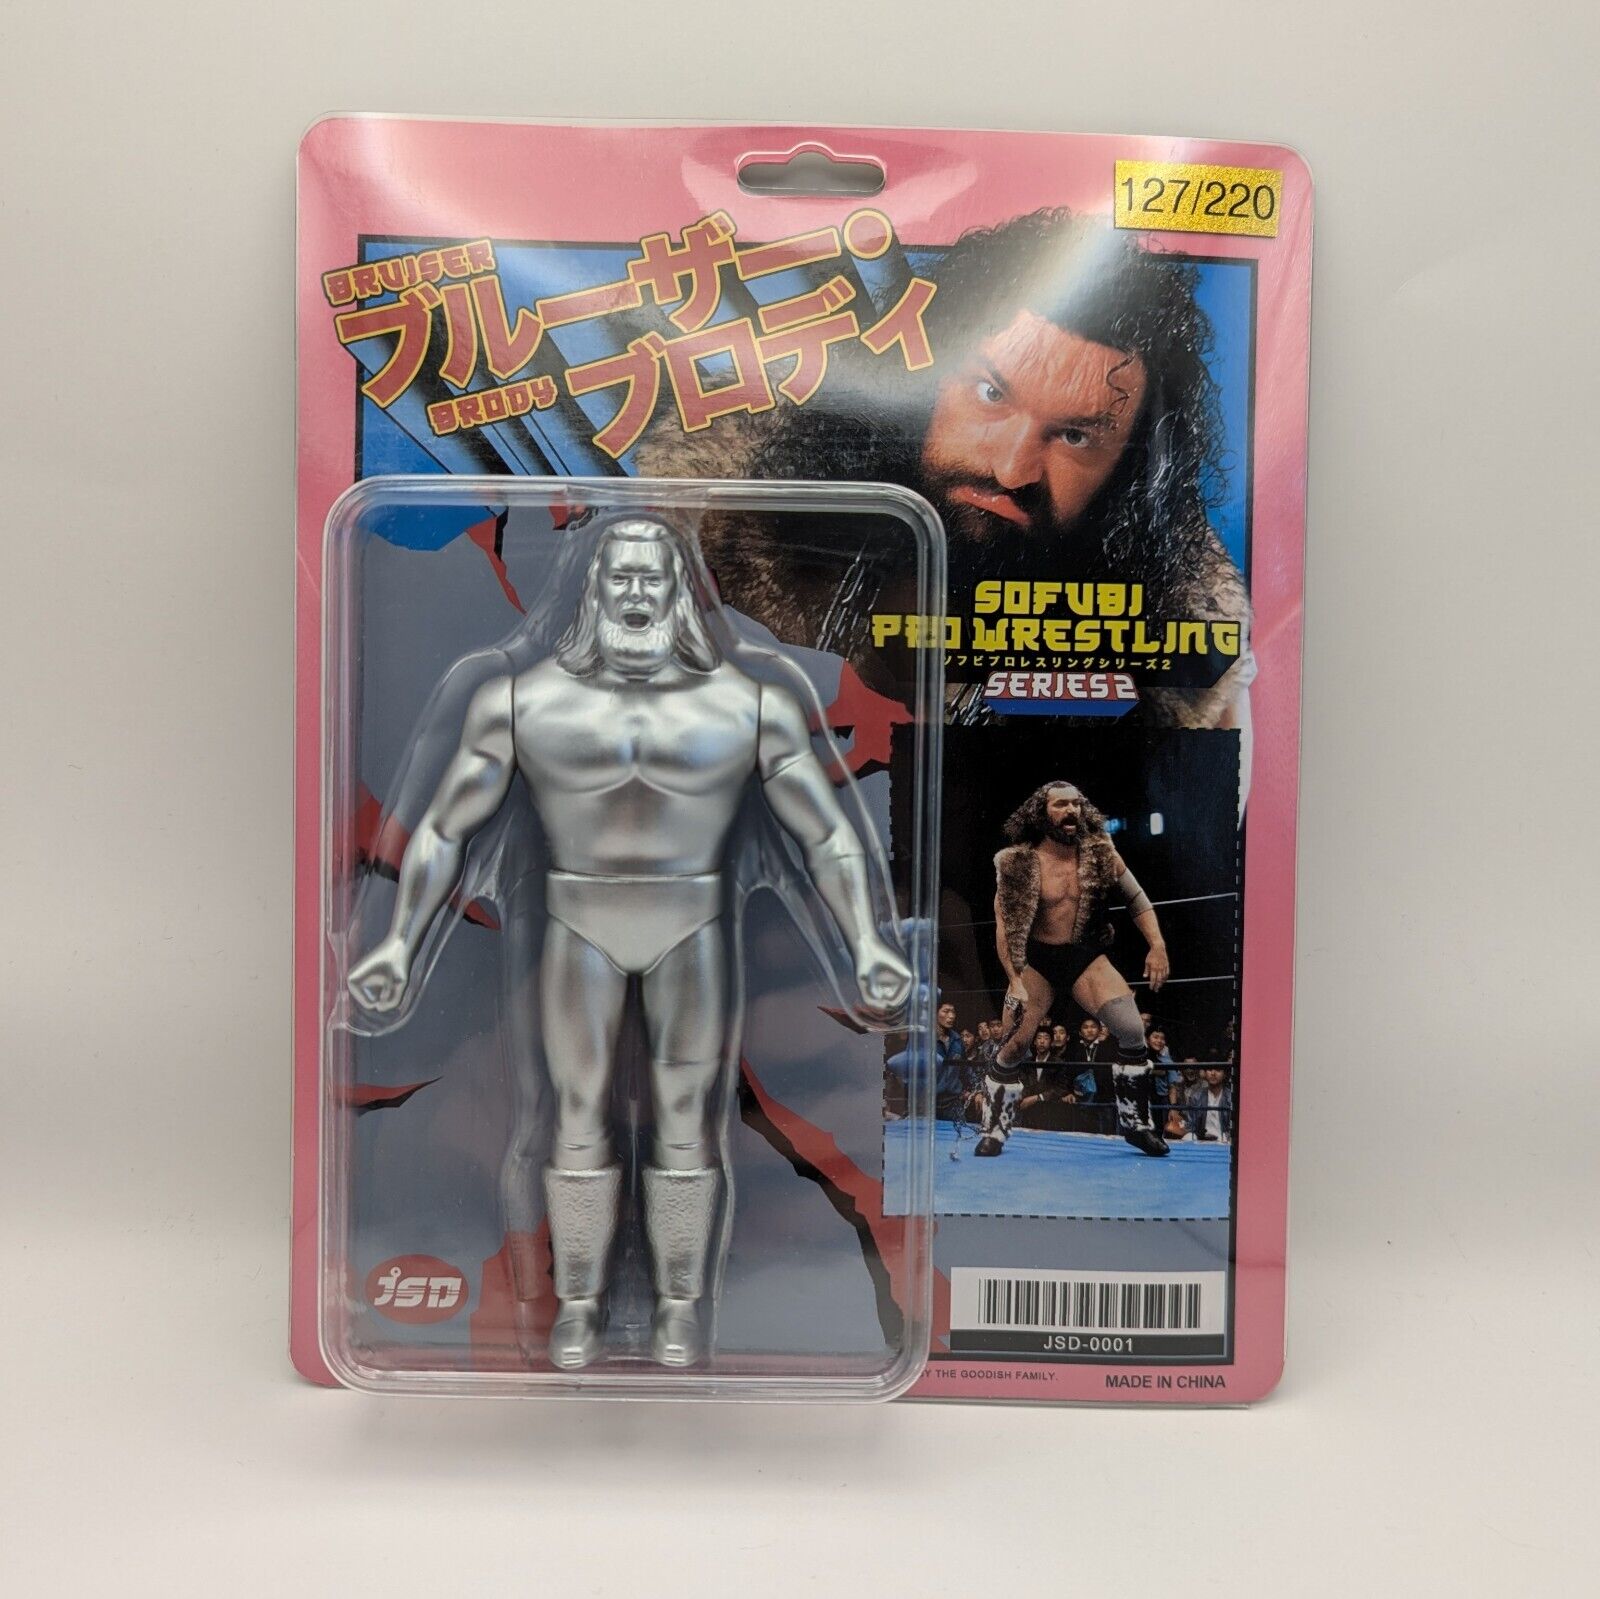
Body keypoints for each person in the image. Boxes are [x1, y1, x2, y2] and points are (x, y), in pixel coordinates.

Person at [347, 517, 911, 1370]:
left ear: (679, 591)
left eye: (653, 579)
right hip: (578, 922)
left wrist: (866, 942)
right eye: (622, 579)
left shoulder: (747, 701)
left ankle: (681, 1306)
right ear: (595, 590)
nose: (637, 595)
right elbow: (444, 829)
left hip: (694, 923)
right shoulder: (524, 699)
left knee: (688, 1119)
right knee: (574, 1116)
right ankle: (579, 1305)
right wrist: (398, 942)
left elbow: (826, 834)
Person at [638, 206, 1251, 738]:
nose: (1011, 470)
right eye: (990, 393)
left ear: (1129, 468)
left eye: (1075, 436)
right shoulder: (701, 542)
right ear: (916, 373)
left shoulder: (1184, 670)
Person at [978, 779, 1172, 1158]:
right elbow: (1005, 928)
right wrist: (1015, 980)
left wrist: (1157, 944)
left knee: (1132, 1030)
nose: (1071, 811)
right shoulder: (1018, 863)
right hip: (1037, 960)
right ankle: (994, 1128)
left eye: (1076, 804)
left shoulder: (1100, 853)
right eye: (1061, 804)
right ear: (1041, 812)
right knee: (1014, 1044)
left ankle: (1136, 1125)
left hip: (1084, 955)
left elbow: (1137, 899)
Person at [1186, 1066, 1234, 1143]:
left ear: (1224, 1075)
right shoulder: (1196, 1097)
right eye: (1209, 1069)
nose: (1213, 1073)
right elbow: (1191, 1126)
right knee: (1188, 1137)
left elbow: (1234, 1128)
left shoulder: (1230, 1098)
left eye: (1218, 1070)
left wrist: (1226, 1137)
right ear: (1205, 1073)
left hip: (1224, 1139)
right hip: (1201, 1139)